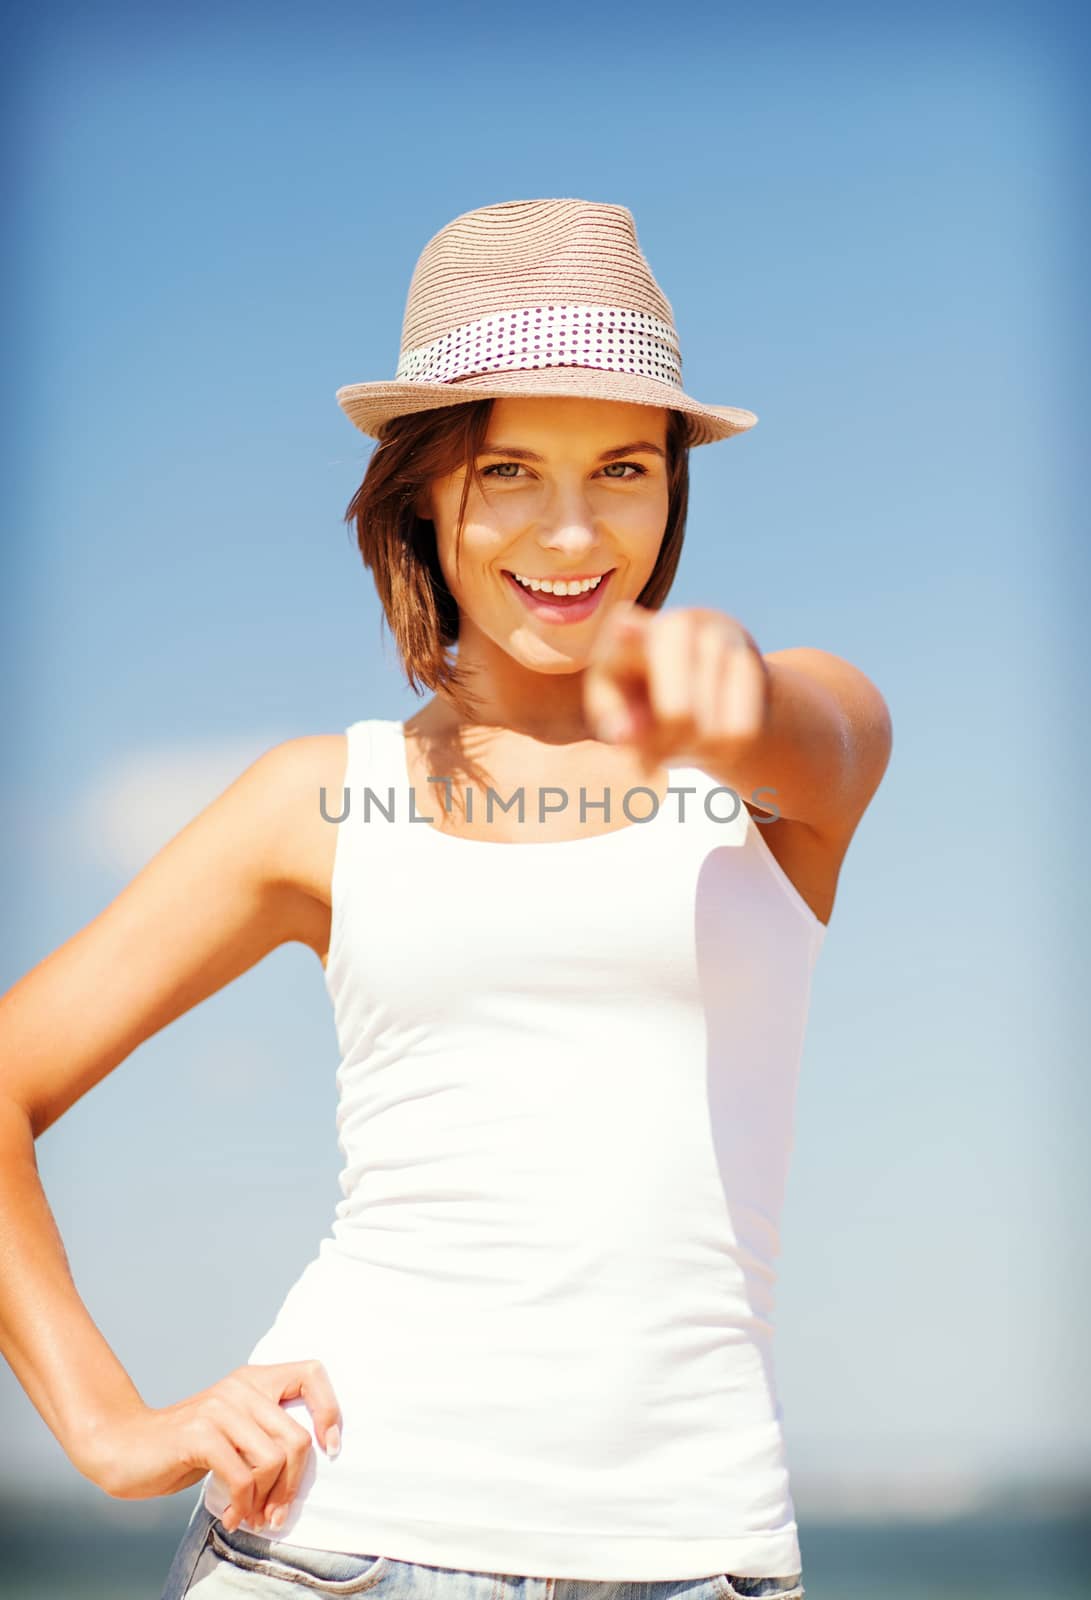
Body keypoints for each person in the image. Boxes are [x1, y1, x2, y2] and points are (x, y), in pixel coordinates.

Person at [0, 198, 892, 1600]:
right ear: (423, 487)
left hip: (691, 1559)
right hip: (331, 1541)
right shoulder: (313, 800)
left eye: (623, 468)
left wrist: (731, 693)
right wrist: (110, 1428)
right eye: (508, 472)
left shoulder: (783, 757)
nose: (573, 529)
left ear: (673, 488)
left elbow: (817, 731)